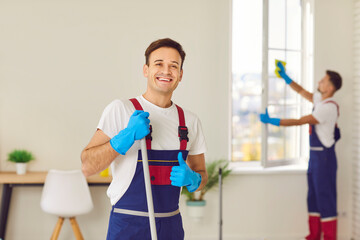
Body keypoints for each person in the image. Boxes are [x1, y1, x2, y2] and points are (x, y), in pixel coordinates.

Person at [81, 38, 208, 240]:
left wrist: (193, 179)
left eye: (173, 66)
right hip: (127, 227)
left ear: (181, 75)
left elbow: (202, 175)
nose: (166, 71)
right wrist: (125, 137)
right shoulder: (121, 110)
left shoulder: (190, 121)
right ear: (146, 70)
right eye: (159, 64)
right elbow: (87, 166)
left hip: (171, 227)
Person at [259, 62, 342, 240]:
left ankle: (329, 237)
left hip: (325, 159)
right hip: (315, 158)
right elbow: (302, 92)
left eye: (323, 80)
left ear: (329, 87)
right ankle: (313, 235)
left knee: (325, 199)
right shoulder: (321, 101)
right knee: (312, 197)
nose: (319, 81)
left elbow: (300, 121)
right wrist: (286, 77)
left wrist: (272, 121)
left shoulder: (328, 107)